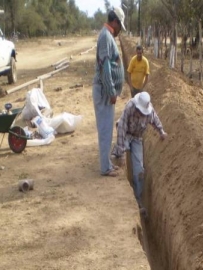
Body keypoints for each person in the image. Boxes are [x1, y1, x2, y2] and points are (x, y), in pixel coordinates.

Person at [111, 92, 167, 214]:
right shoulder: (130, 107)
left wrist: (161, 132)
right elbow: (121, 128)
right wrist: (121, 151)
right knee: (121, 157)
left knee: (139, 170)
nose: (141, 114)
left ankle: (138, 199)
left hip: (137, 137)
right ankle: (116, 155)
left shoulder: (149, 111)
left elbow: (155, 120)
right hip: (126, 133)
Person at [92, 7, 126, 177]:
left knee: (106, 127)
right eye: (120, 26)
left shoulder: (107, 36)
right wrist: (112, 91)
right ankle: (105, 168)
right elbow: (105, 66)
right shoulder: (106, 37)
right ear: (115, 22)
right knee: (105, 128)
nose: (120, 31)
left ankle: (107, 163)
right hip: (105, 92)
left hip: (106, 92)